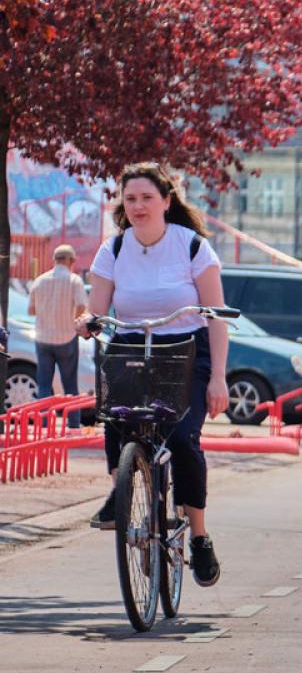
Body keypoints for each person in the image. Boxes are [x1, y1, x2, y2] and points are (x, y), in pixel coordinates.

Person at [79, 163, 229, 587]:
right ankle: (121, 491)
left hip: (186, 351)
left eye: (147, 198)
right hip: (130, 348)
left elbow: (216, 318)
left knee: (182, 439)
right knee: (115, 415)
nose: (139, 206)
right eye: (130, 199)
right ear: (122, 205)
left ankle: (198, 536)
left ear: (166, 200)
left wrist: (218, 377)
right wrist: (87, 321)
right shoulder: (114, 249)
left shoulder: (193, 247)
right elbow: (98, 309)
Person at [30, 243, 87, 427]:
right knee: (70, 385)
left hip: (43, 339)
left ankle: (44, 426)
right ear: (71, 261)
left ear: (54, 260)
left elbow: (31, 310)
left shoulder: (39, 280)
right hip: (66, 339)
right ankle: (73, 425)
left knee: (44, 385)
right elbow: (81, 305)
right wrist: (73, 321)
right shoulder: (74, 280)